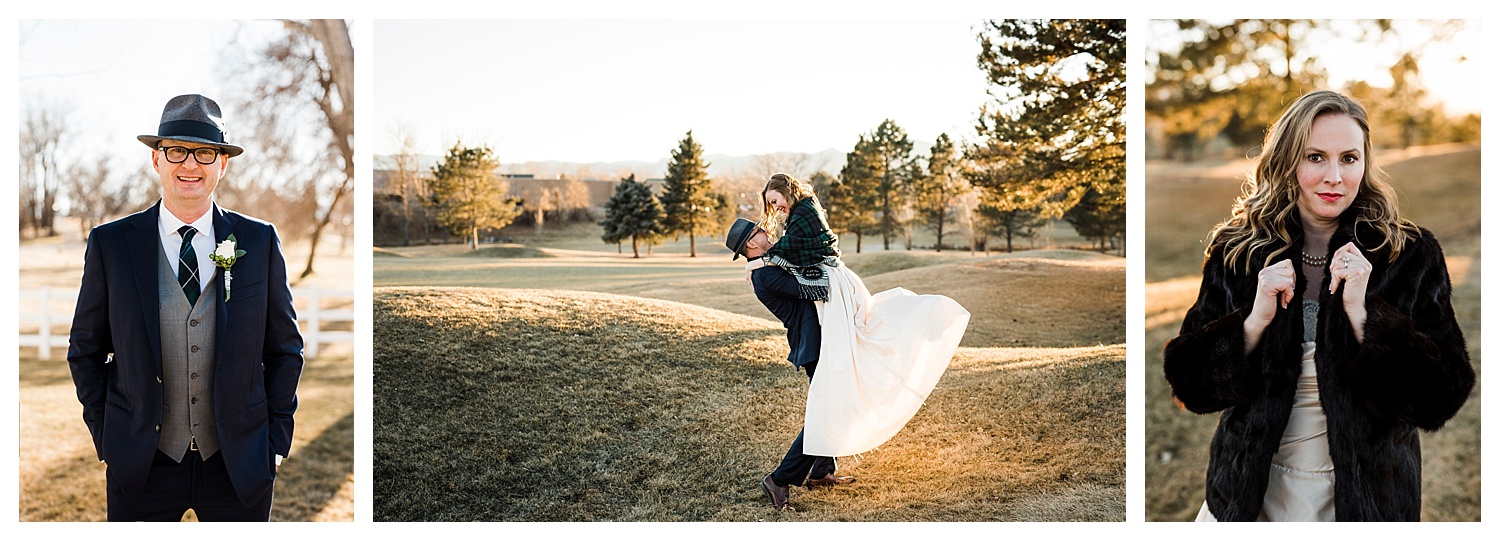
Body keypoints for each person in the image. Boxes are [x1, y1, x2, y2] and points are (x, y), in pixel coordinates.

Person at [1162, 90, 1473, 521]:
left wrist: (1366, 318)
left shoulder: (1409, 254)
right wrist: (1254, 322)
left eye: (1349, 158)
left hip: (1367, 503)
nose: (1335, 177)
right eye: (1315, 157)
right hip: (1249, 494)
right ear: (1288, 163)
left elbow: (1443, 394)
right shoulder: (1239, 251)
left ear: (1365, 163)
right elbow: (1190, 384)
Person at [67, 94, 305, 521]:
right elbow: (85, 349)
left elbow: (285, 350)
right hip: (142, 463)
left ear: (223, 164)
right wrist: (109, 439)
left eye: (205, 153)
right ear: (157, 160)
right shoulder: (111, 244)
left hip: (238, 463)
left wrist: (275, 441)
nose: (190, 165)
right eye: (176, 150)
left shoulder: (260, 241)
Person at [726, 218, 853, 513]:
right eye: (760, 231)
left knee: (832, 406)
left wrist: (760, 262)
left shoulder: (766, 268)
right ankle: (779, 479)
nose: (767, 231)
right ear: (751, 243)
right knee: (826, 411)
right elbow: (816, 288)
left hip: (820, 340)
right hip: (813, 345)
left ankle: (821, 471)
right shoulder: (766, 276)